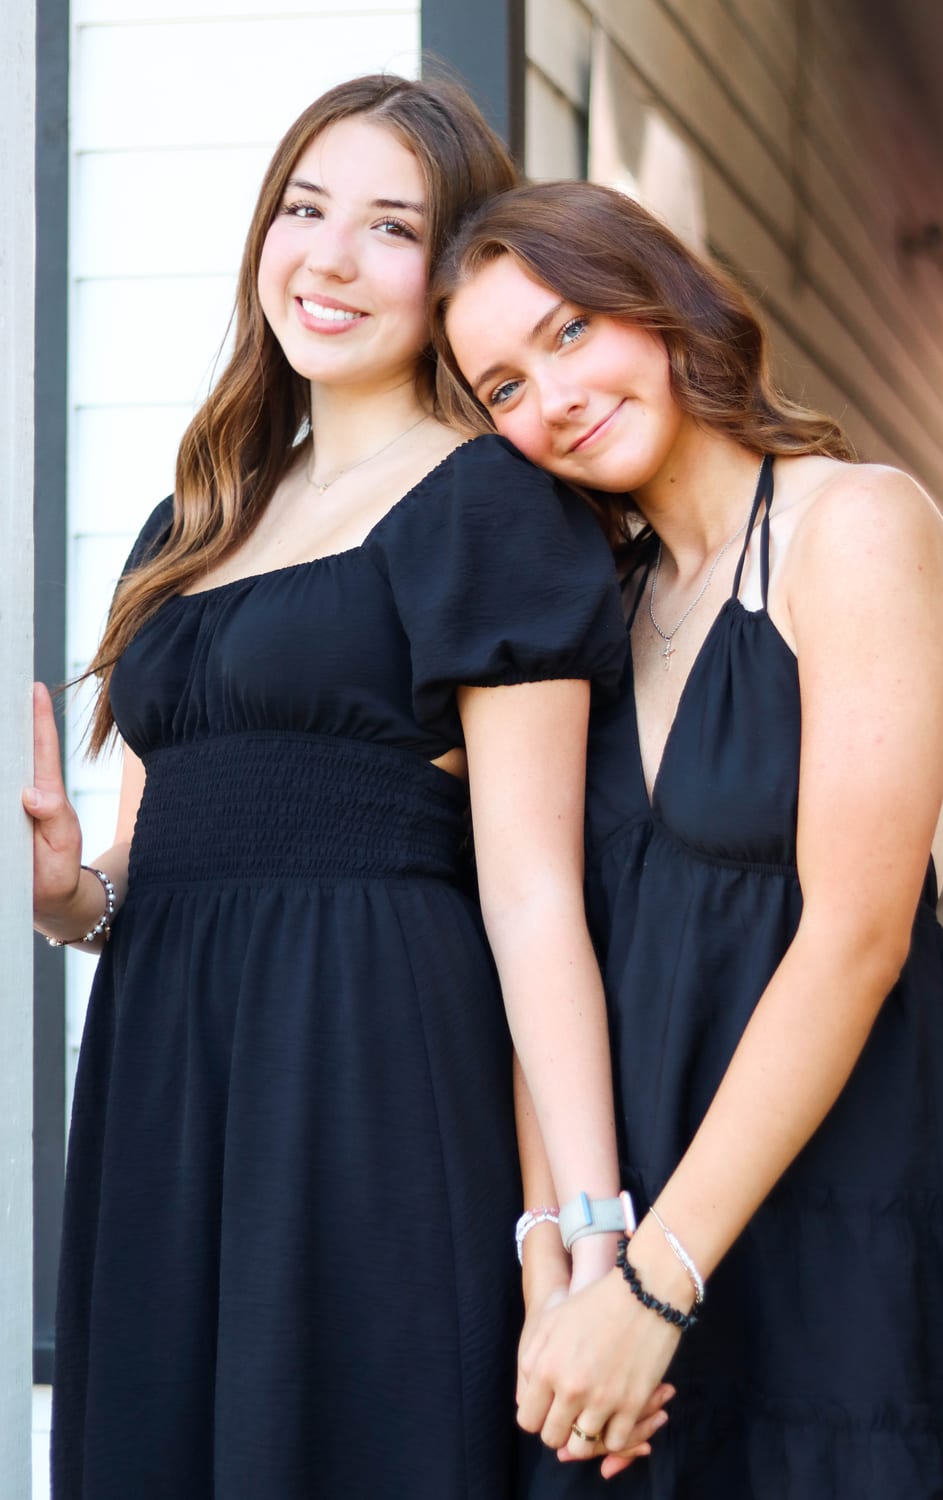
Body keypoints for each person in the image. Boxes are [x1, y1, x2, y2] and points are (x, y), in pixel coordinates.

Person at [22, 83, 671, 1500]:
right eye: (305, 209)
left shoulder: (489, 505)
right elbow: (137, 876)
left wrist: (596, 1234)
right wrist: (67, 890)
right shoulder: (197, 514)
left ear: (452, 274)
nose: (326, 257)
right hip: (166, 1074)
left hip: (362, 1061)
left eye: (389, 227)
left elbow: (532, 889)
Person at [431, 179, 943, 1498]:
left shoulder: (852, 528)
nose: (551, 397)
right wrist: (559, 1263)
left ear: (660, 300)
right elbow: (544, 939)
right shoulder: (590, 610)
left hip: (836, 1211)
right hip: (626, 1230)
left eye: (569, 333)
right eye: (504, 387)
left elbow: (857, 939)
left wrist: (656, 1283)